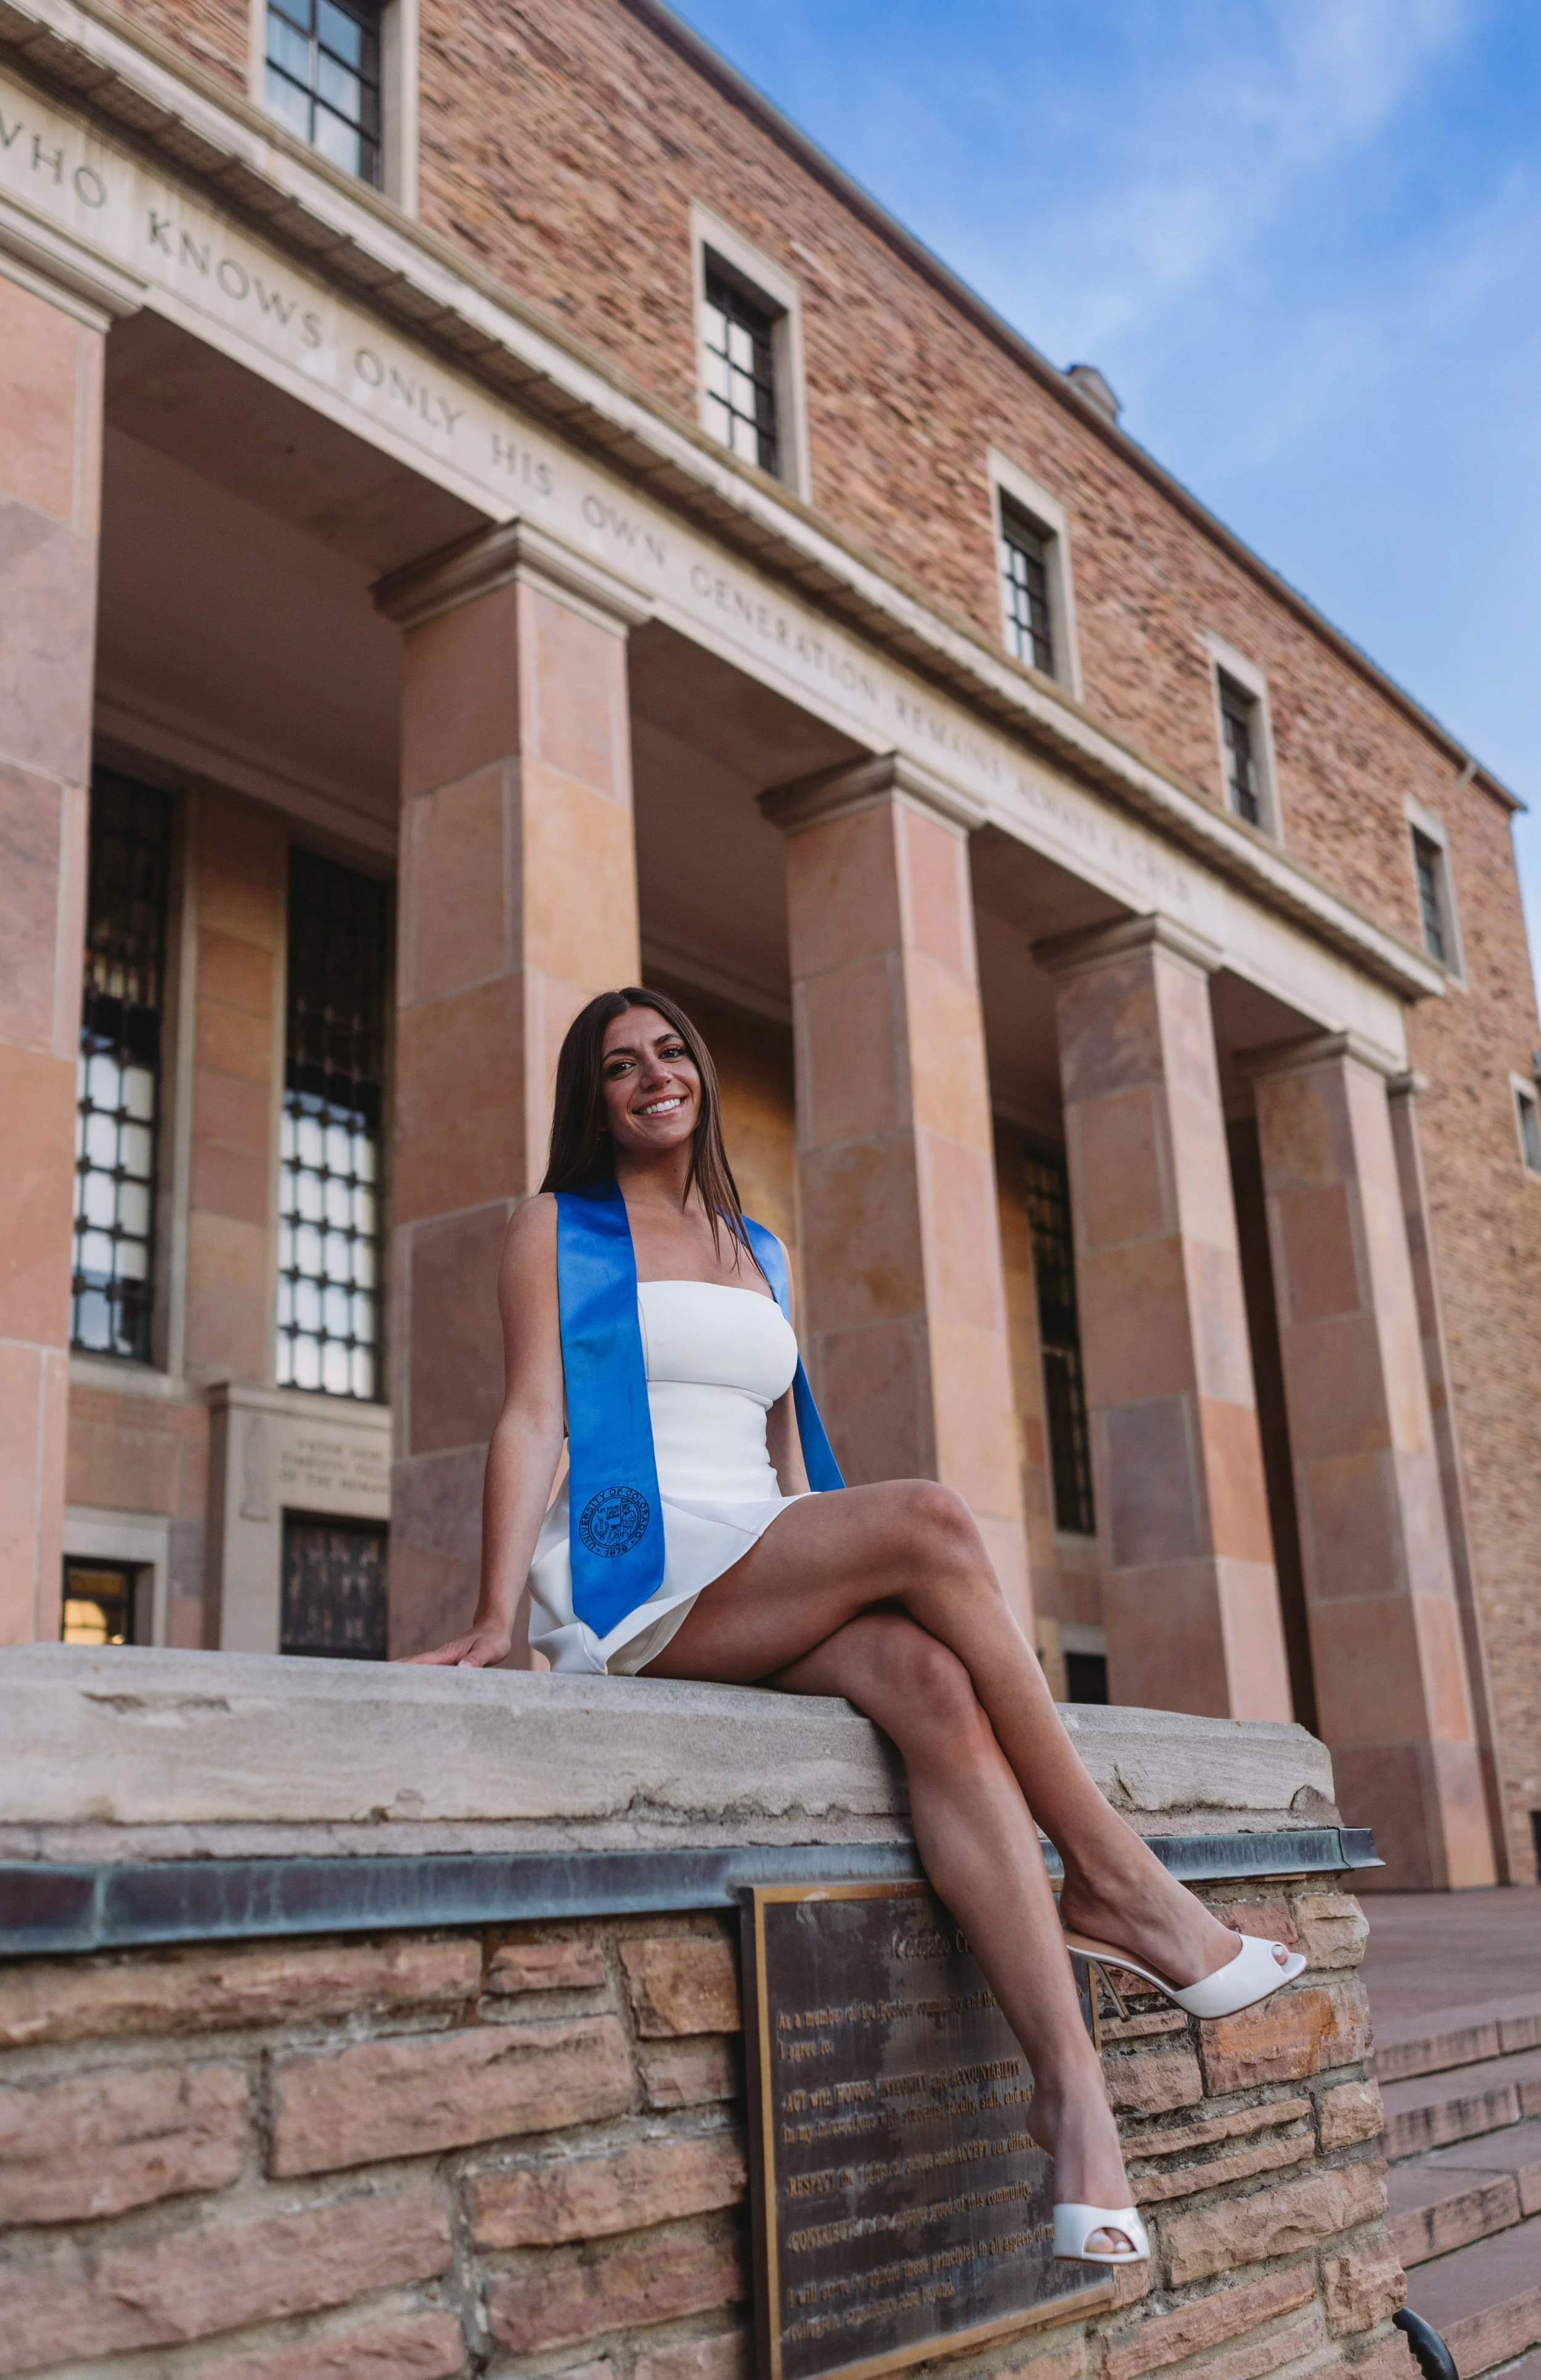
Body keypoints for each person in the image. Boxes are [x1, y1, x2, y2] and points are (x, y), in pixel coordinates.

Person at [407, 986, 1304, 2263]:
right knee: (935, 1517)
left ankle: (1072, 2104)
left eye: (669, 1051)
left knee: (929, 1682)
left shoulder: (754, 1244)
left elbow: (792, 1469)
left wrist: (846, 1575)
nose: (651, 1075)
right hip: (636, 1570)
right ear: (591, 1098)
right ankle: (1116, 1881)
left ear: (699, 1071)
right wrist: (495, 1611)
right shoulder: (558, 1228)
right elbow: (529, 1417)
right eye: (618, 1066)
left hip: (752, 1548)